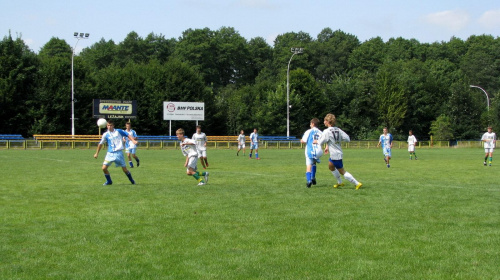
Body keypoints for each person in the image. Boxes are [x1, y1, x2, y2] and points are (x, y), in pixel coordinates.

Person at [316, 114, 362, 190]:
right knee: (331, 166)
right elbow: (347, 139)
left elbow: (321, 142)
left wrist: (316, 141)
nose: (324, 122)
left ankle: (357, 183)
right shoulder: (338, 129)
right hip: (338, 152)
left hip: (335, 154)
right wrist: (336, 141)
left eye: (325, 120)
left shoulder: (326, 131)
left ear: (328, 121)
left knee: (342, 171)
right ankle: (340, 182)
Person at [94, 120, 137, 185]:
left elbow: (127, 135)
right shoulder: (105, 134)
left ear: (113, 125)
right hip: (110, 154)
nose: (109, 127)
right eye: (108, 125)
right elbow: (100, 144)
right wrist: (97, 153)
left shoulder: (118, 131)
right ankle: (109, 181)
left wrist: (133, 140)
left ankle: (132, 181)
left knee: (125, 170)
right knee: (104, 168)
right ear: (106, 126)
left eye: (111, 125)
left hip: (118, 153)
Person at [300, 118, 323, 188]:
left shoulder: (308, 131)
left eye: (310, 123)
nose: (310, 125)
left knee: (309, 166)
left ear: (313, 123)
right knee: (314, 162)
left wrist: (301, 140)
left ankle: (309, 180)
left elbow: (303, 141)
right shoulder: (320, 132)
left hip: (310, 150)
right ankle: (313, 177)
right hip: (318, 151)